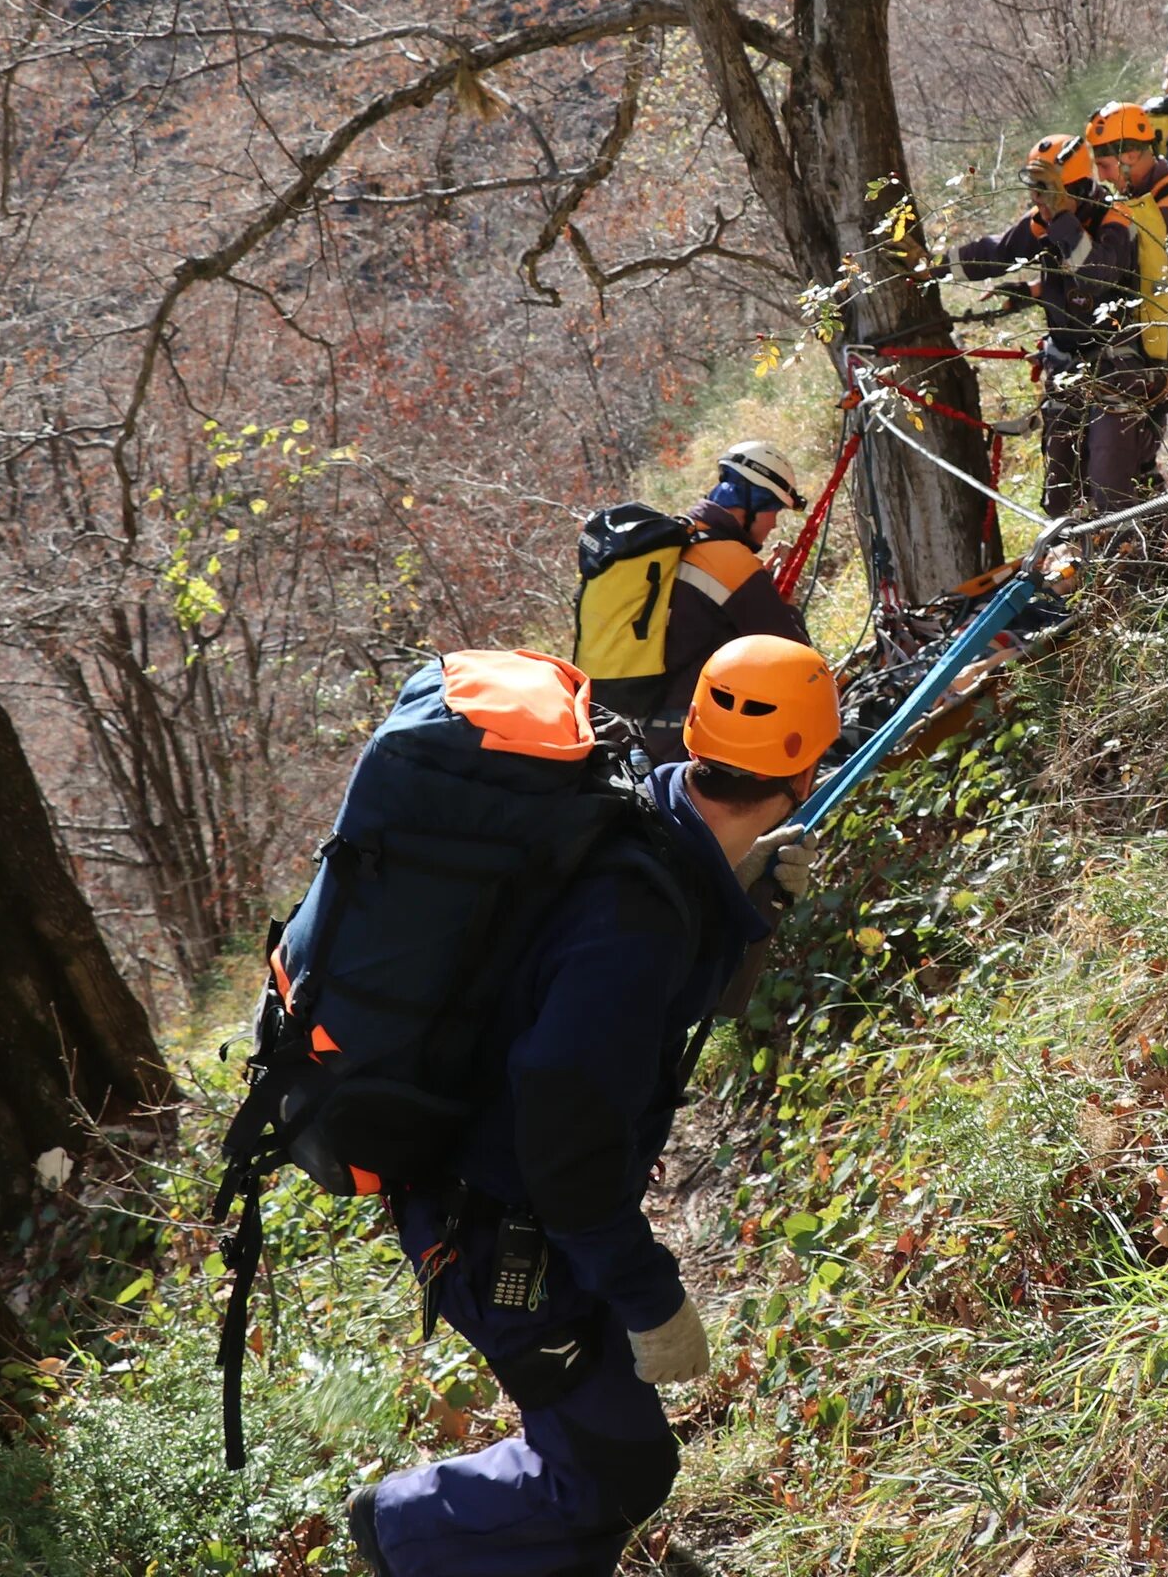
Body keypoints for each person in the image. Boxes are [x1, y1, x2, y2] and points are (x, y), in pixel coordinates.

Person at [347, 637, 839, 1577]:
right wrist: (650, 1299)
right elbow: (566, 1130)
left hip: (506, 1197)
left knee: (604, 1461)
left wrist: (747, 905)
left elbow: (633, 998)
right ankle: (398, 1532)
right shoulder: (640, 914)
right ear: (804, 771)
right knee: (616, 1467)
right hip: (495, 1223)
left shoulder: (647, 817)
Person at [954, 135, 1141, 514]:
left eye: (1047, 191)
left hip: (1116, 369)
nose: (1037, 201)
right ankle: (1069, 561)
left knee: (1110, 482)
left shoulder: (1117, 220)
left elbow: (1095, 275)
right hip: (1065, 366)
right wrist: (931, 264)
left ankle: (1132, 566)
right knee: (1060, 491)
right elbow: (995, 253)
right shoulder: (1045, 223)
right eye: (1036, 191)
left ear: (1075, 187)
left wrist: (1063, 220)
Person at [1084, 100, 1168, 511]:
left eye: (1104, 166)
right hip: (1162, 352)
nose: (1101, 176)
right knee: (1141, 468)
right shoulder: (1146, 201)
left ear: (1131, 156)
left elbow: (1160, 292)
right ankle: (1156, 558)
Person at [649, 442, 812, 762]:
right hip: (696, 739)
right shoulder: (734, 565)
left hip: (641, 731)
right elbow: (797, 659)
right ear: (751, 503)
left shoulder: (678, 541)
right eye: (774, 510)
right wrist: (787, 606)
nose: (774, 524)